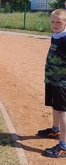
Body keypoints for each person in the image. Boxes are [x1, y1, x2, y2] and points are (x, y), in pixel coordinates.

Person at [37, 9, 66, 158]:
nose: (55, 25)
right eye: (52, 21)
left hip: (62, 82)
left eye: (59, 22)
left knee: (62, 111)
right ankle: (55, 130)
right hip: (53, 79)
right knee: (56, 107)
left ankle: (64, 146)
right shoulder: (56, 36)